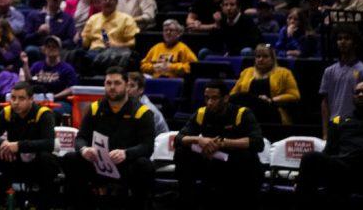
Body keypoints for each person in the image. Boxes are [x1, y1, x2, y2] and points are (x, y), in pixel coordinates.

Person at [62, 68, 156, 210]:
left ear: (126, 85)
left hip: (125, 164)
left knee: (145, 165)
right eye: (108, 83)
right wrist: (84, 149)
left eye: (117, 83)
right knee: (70, 158)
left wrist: (126, 153)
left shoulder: (142, 112)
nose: (112, 87)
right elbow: (80, 137)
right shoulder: (94, 108)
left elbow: (148, 146)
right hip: (98, 163)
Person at [174, 80, 265, 209]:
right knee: (182, 151)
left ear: (226, 98)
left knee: (247, 157)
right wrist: (199, 140)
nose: (210, 102)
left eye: (214, 98)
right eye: (207, 98)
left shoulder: (242, 113)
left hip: (236, 162)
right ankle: (186, 199)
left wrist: (222, 143)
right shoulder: (201, 113)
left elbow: (258, 143)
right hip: (211, 159)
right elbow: (178, 138)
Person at [0, 81, 58, 206]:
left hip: (35, 163)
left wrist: (19, 146)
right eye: (13, 98)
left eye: (21, 98)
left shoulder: (43, 114)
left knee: (47, 158)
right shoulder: (7, 112)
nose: (15, 102)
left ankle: (44, 204)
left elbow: (49, 144)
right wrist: (3, 143)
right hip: (13, 160)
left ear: (31, 99)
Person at [298, 80, 363, 197]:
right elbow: (328, 151)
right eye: (357, 92)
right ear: (353, 97)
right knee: (310, 157)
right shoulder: (339, 121)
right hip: (342, 168)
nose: (360, 95)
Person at [230, 44, 301, 125]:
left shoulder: (284, 73)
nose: (261, 59)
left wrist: (272, 100)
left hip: (272, 111)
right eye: (258, 56)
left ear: (273, 59)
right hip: (246, 113)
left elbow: (295, 95)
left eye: (265, 56)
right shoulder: (247, 72)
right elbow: (233, 95)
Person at [320, 28, 363, 137]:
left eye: (347, 38)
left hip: (355, 125)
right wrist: (325, 133)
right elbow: (325, 103)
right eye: (339, 39)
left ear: (355, 43)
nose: (342, 41)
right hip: (335, 123)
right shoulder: (329, 71)